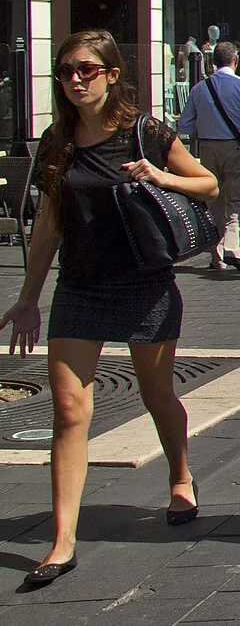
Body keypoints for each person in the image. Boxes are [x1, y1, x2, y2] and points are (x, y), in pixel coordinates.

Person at [2, 32, 217, 588]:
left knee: (155, 395)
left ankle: (180, 473)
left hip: (145, 284)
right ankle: (62, 541)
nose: (76, 79)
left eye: (87, 70)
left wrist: (158, 174)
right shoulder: (58, 141)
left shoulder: (144, 133)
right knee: (70, 412)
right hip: (79, 288)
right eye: (67, 70)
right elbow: (50, 222)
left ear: (113, 74)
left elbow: (209, 184)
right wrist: (28, 298)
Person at [176, 40, 240, 273]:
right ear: (235, 60)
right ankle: (234, 250)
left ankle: (216, 255)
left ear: (213, 62)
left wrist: (202, 130)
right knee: (237, 200)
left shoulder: (199, 89)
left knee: (213, 201)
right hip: (234, 147)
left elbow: (184, 124)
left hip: (207, 148)